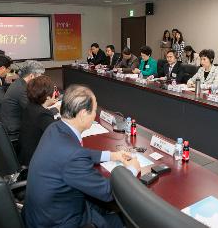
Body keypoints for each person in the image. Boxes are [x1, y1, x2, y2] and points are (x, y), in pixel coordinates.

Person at [23, 85, 140, 228]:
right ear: (83, 113)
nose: (95, 114)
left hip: (46, 210)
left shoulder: (55, 128)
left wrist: (112, 155)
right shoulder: (72, 156)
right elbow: (108, 192)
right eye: (95, 110)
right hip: (59, 221)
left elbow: (79, 153)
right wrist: (132, 171)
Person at [18, 75, 58, 166]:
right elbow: (58, 135)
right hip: (37, 161)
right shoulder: (42, 115)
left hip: (26, 154)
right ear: (48, 97)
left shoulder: (30, 106)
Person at [0, 60, 45, 137]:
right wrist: (51, 107)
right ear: (31, 76)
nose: (41, 79)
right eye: (40, 76)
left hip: (13, 122)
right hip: (14, 129)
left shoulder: (20, 82)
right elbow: (34, 111)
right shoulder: (21, 89)